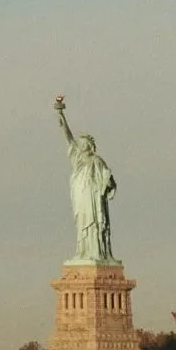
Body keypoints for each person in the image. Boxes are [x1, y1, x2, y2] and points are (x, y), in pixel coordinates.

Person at [54, 96, 117, 262]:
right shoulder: (77, 159)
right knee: (82, 224)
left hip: (93, 198)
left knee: (95, 224)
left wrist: (106, 182)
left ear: (88, 146)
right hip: (80, 197)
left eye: (82, 144)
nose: (79, 146)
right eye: (79, 144)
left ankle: (97, 253)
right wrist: (61, 114)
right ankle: (83, 252)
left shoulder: (96, 160)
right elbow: (68, 137)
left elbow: (108, 179)